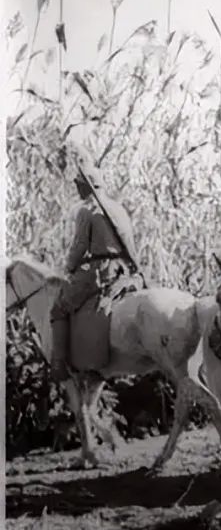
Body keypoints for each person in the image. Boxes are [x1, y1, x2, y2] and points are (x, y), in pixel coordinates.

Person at [50, 156, 139, 381]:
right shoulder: (118, 208)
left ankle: (59, 364)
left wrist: (69, 268)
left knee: (59, 308)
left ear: (85, 186)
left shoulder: (87, 210)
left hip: (101, 271)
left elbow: (79, 246)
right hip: (124, 271)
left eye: (78, 185)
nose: (77, 189)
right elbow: (130, 243)